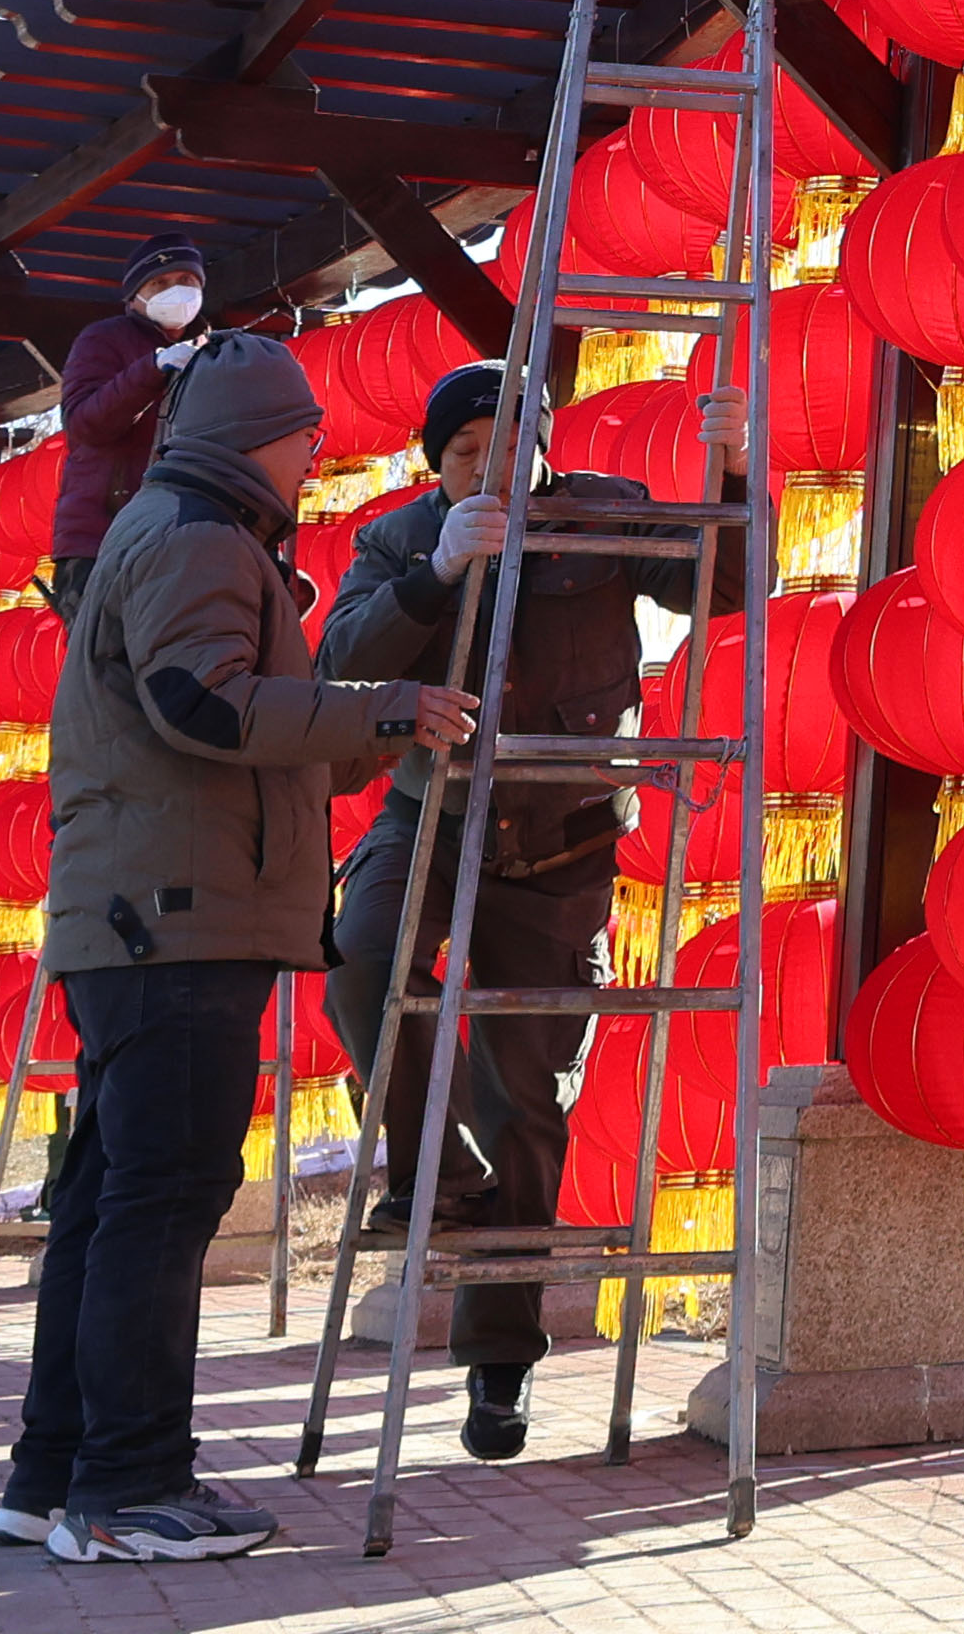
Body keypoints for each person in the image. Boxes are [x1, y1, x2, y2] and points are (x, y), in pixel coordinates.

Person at [3, 328, 467, 1563]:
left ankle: (54, 1472)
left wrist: (361, 731)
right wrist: (387, 708)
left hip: (143, 913)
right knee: (159, 1205)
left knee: (110, 1201)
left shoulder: (172, 527)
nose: (317, 455)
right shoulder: (200, 538)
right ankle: (129, 1485)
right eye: (309, 434)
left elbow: (236, 722)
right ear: (261, 433)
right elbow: (201, 702)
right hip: (177, 920)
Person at [317, 357, 748, 1455]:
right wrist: (436, 574)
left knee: (530, 1097)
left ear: (542, 443)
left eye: (510, 445)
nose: (490, 468)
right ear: (437, 463)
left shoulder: (602, 512)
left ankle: (498, 1363)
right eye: (466, 453)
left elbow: (725, 587)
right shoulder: (399, 537)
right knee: (361, 955)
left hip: (563, 839)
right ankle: (439, 1171)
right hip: (433, 810)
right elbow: (340, 660)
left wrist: (735, 474)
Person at [46, 234, 213, 604]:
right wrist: (151, 370)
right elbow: (84, 425)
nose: (176, 291)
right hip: (102, 538)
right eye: (160, 283)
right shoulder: (103, 339)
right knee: (107, 640)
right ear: (135, 295)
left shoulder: (213, 351)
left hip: (183, 536)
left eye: (186, 280)